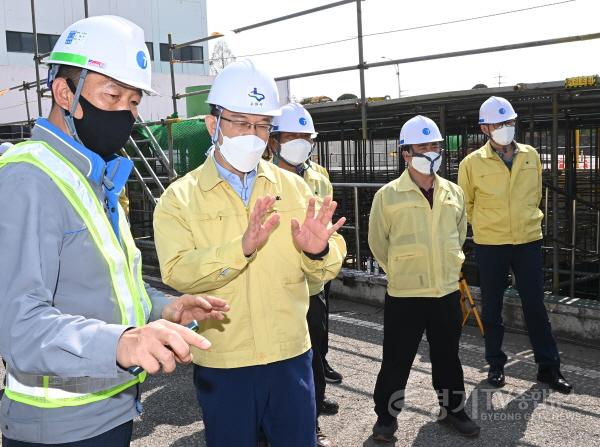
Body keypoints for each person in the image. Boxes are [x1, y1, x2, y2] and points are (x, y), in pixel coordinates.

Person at [0, 16, 229, 446]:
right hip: (58, 430)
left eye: (135, 100)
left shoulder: (95, 177)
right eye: (113, 95)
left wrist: (163, 309)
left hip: (111, 411)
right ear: (64, 92)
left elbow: (101, 290)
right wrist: (123, 343)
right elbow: (18, 326)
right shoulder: (29, 178)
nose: (126, 111)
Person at [153, 60, 346, 447]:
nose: (252, 135)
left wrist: (318, 251)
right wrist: (238, 250)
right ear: (213, 125)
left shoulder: (293, 188)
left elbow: (323, 270)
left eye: (261, 126)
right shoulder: (180, 197)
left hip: (290, 355)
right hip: (224, 361)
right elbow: (177, 271)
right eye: (240, 122)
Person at [368, 115, 480, 442]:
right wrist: (404, 270)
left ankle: (453, 410)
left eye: (435, 145)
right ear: (406, 153)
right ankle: (386, 418)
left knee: (448, 355)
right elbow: (378, 243)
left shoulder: (453, 193)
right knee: (397, 359)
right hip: (405, 292)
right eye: (423, 146)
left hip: (445, 290)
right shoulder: (388, 196)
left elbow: (459, 235)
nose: (431, 151)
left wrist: (444, 265)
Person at [458, 96, 572, 393]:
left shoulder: (530, 155)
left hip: (528, 240)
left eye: (509, 122)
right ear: (484, 128)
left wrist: (525, 219)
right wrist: (485, 225)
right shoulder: (471, 163)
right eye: (498, 123)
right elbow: (465, 203)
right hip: (490, 243)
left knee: (535, 305)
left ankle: (549, 368)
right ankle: (495, 365)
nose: (505, 128)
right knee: (493, 307)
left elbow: (534, 195)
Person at [269, 102, 347, 446]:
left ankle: (311, 415)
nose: (299, 142)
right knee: (277, 357)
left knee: (315, 349)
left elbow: (330, 226)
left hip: (314, 280)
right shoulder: (259, 176)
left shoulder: (318, 175)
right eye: (291, 136)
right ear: (274, 141)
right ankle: (266, 424)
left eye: (305, 136)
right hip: (276, 282)